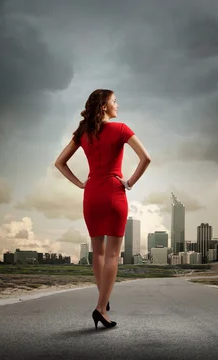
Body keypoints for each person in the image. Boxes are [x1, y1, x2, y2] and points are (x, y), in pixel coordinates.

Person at [54, 89, 151, 330]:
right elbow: (146, 158)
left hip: (92, 194)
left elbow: (59, 162)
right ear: (105, 106)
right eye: (115, 101)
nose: (118, 104)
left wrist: (80, 183)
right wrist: (129, 182)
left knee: (97, 252)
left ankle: (103, 300)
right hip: (114, 192)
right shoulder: (121, 129)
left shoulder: (83, 133)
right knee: (112, 254)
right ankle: (100, 307)